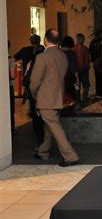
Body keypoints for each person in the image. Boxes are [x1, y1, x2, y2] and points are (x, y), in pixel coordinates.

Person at [29, 29, 80, 167]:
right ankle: (43, 151)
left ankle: (70, 156)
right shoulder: (62, 56)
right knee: (50, 126)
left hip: (46, 98)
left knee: (55, 127)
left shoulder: (42, 57)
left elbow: (34, 81)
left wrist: (33, 93)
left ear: (46, 39)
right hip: (58, 97)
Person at [61, 36, 78, 108]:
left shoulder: (57, 52)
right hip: (69, 78)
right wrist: (77, 79)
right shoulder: (72, 54)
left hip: (58, 78)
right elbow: (74, 68)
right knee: (71, 96)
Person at [74, 33, 91, 104]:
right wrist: (87, 67)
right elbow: (87, 60)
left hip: (76, 70)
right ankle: (84, 98)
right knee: (86, 85)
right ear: (82, 39)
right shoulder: (85, 49)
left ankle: (78, 99)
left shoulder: (73, 48)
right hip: (83, 69)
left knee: (77, 85)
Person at [89, 31, 102, 97]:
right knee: (101, 78)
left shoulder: (92, 42)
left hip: (95, 62)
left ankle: (98, 93)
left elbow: (90, 52)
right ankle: (101, 92)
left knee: (98, 78)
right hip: (101, 62)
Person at [8, 40, 17, 134]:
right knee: (10, 109)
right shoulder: (10, 59)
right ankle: (11, 129)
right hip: (8, 86)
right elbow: (13, 75)